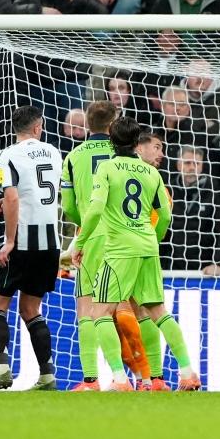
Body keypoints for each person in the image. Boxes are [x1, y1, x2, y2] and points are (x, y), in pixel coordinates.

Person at [75, 116, 200, 391]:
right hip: (148, 247)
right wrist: (154, 239)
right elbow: (165, 216)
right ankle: (186, 372)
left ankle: (120, 380)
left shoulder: (107, 168)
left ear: (111, 140)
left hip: (119, 250)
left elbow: (95, 211)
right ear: (136, 143)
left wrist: (80, 243)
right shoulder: (152, 173)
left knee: (100, 312)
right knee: (157, 311)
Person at [0, 105, 61, 391]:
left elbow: (13, 197)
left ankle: (2, 368)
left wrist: (9, 241)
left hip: (22, 243)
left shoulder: (8, 155)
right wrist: (7, 202)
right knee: (30, 308)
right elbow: (35, 193)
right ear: (38, 127)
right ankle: (47, 374)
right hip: (49, 244)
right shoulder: (54, 152)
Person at [59, 100, 118, 390]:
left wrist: (84, 221)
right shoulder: (123, 154)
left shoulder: (73, 157)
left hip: (91, 237)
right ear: (112, 124)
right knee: (132, 310)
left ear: (87, 124)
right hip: (123, 237)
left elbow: (68, 206)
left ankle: (92, 380)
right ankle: (145, 379)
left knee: (86, 308)